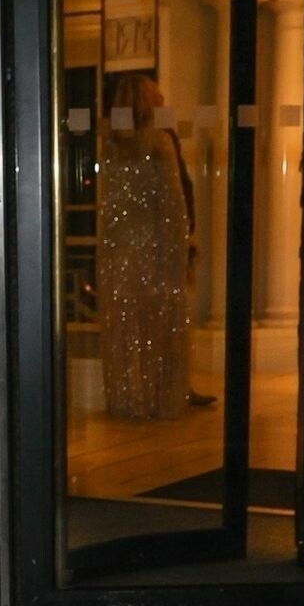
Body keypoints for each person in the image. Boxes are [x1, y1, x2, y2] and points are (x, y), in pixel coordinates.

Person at [97, 73, 208, 419]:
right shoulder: (160, 141)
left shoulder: (110, 146)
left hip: (120, 249)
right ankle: (165, 396)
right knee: (161, 327)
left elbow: (109, 205)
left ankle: (130, 399)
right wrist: (183, 245)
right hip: (155, 247)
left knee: (127, 328)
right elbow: (173, 203)